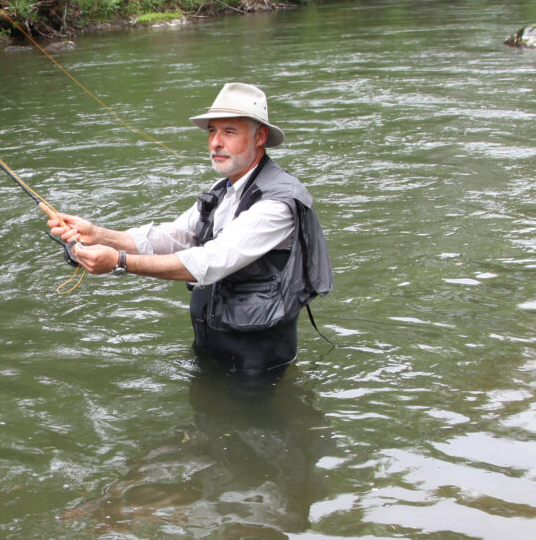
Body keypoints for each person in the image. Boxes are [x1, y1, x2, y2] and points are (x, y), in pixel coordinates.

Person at [48, 82, 332, 382]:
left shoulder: (278, 203)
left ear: (260, 136)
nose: (215, 143)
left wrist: (119, 262)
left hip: (256, 357)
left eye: (229, 132)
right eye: (212, 131)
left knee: (245, 427)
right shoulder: (223, 188)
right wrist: (100, 235)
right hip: (212, 341)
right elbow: (176, 236)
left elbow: (211, 261)